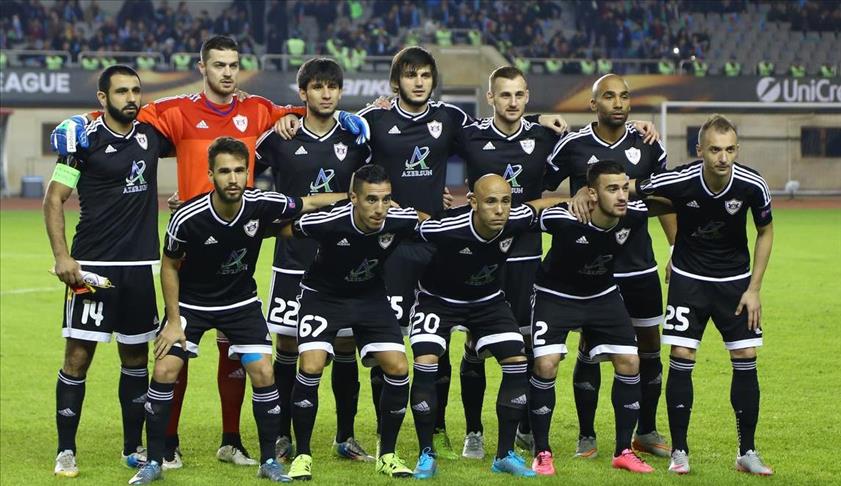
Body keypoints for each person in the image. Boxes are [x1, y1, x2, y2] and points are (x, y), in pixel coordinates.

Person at [50, 35, 369, 469]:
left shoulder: (259, 110)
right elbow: (124, 116)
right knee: (175, 347)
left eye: (234, 64)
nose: (227, 72)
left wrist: (355, 115)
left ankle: (231, 439)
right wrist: (80, 119)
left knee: (231, 348)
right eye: (219, 64)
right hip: (190, 243)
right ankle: (167, 442)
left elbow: (308, 111)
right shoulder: (175, 110)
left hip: (239, 246)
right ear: (203, 67)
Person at [128, 136, 345, 484]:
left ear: (248, 173)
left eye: (239, 171)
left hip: (240, 304)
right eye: (225, 171)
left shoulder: (262, 203)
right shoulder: (187, 217)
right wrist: (173, 321)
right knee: (166, 369)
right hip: (192, 305)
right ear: (210, 174)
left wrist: (351, 198)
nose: (233, 178)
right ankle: (154, 461)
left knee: (263, 371)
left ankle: (268, 462)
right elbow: (169, 265)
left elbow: (307, 202)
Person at [45, 64, 172, 478]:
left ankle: (132, 449)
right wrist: (63, 257)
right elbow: (53, 199)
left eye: (135, 90)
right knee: (77, 357)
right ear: (103, 98)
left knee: (136, 358)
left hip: (139, 267)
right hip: (93, 268)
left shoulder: (151, 135)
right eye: (121, 91)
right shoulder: (82, 143)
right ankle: (66, 451)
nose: (131, 98)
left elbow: (195, 133)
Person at [634, 114, 774, 476]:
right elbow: (633, 188)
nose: (723, 158)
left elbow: (765, 231)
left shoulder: (752, 184)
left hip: (736, 284)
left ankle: (747, 452)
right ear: (700, 151)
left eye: (729, 150)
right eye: (714, 150)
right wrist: (588, 190)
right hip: (688, 281)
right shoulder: (680, 179)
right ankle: (680, 451)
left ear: (737, 149)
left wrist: (754, 289)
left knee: (745, 356)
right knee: (682, 356)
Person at [546, 74, 675, 460]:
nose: (618, 103)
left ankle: (646, 430)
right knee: (590, 347)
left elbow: (666, 198)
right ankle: (586, 435)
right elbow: (540, 187)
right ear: (593, 104)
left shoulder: (648, 143)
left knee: (649, 346)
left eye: (624, 96)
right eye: (608, 96)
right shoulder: (572, 144)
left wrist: (676, 247)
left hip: (639, 265)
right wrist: (571, 200)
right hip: (592, 268)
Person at [254, 58, 373, 462]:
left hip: (342, 260)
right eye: (318, 87)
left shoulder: (356, 138)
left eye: (332, 87)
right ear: (302, 92)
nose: (326, 94)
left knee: (345, 343)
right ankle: (283, 436)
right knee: (287, 344)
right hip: (292, 258)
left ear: (340, 92)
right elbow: (240, 170)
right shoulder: (278, 138)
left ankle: (345, 436)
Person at [408, 174, 564, 479]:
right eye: (491, 201)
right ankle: (426, 453)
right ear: (473, 202)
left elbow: (538, 206)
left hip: (487, 301)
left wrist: (580, 197)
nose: (500, 209)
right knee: (426, 359)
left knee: (517, 360)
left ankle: (504, 455)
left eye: (506, 201)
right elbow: (414, 222)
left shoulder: (515, 219)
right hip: (438, 301)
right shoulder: (447, 227)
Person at [528, 160, 673, 475]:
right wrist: (571, 198)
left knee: (631, 362)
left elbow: (672, 200)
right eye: (612, 189)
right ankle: (541, 451)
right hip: (555, 296)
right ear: (592, 194)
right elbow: (529, 210)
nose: (622, 196)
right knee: (546, 364)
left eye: (624, 188)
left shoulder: (632, 213)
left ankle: (623, 451)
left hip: (602, 295)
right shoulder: (564, 218)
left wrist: (639, 188)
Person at [282, 165, 422, 480]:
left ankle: (387, 455)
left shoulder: (399, 219)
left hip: (370, 297)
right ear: (353, 198)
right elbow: (283, 229)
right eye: (371, 199)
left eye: (386, 199)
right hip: (322, 297)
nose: (380, 208)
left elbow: (426, 223)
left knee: (399, 367)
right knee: (311, 365)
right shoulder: (328, 221)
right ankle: (302, 455)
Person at [454, 66, 561, 458]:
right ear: (490, 98)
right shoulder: (470, 135)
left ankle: (526, 428)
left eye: (519, 95)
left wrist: (637, 126)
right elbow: (423, 154)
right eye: (504, 95)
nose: (512, 102)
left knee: (527, 342)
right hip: (480, 254)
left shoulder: (545, 137)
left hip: (527, 255)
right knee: (475, 343)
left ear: (527, 97)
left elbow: (590, 150)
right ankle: (474, 431)